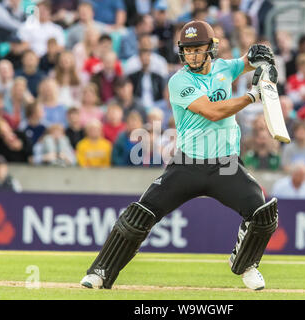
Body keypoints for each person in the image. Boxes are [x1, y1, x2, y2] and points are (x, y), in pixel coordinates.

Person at [80, 21, 278, 291]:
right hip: (188, 165)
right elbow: (213, 112)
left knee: (263, 213)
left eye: (198, 50)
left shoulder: (224, 68)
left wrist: (261, 58)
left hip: (226, 166)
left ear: (211, 49)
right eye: (188, 50)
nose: (193, 56)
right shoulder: (179, 81)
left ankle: (246, 265)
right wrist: (253, 96)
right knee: (140, 214)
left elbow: (247, 61)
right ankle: (100, 271)